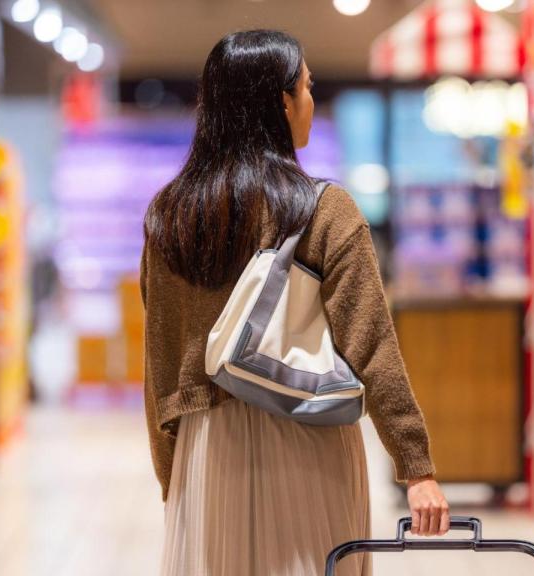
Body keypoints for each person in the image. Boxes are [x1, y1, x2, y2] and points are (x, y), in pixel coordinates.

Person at [141, 29, 449, 576]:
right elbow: (371, 344)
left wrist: (175, 474)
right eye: (307, 87)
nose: (310, 101)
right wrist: (415, 464)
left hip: (208, 447)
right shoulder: (325, 210)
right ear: (283, 102)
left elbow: (161, 362)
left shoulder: (171, 217)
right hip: (308, 430)